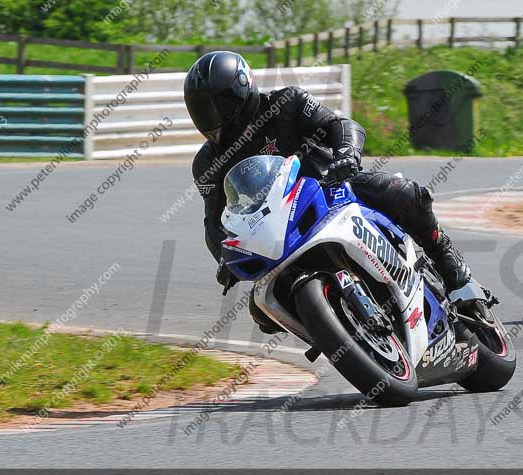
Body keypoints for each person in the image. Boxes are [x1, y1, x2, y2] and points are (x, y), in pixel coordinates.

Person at [184, 51, 472, 331]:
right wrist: (223, 258)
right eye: (202, 109)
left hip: (332, 191)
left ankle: (450, 265)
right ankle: (333, 326)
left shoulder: (287, 102)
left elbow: (341, 125)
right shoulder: (207, 162)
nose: (213, 116)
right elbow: (215, 222)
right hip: (277, 230)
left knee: (403, 194)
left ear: (241, 90)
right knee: (262, 310)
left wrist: (347, 153)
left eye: (217, 104)